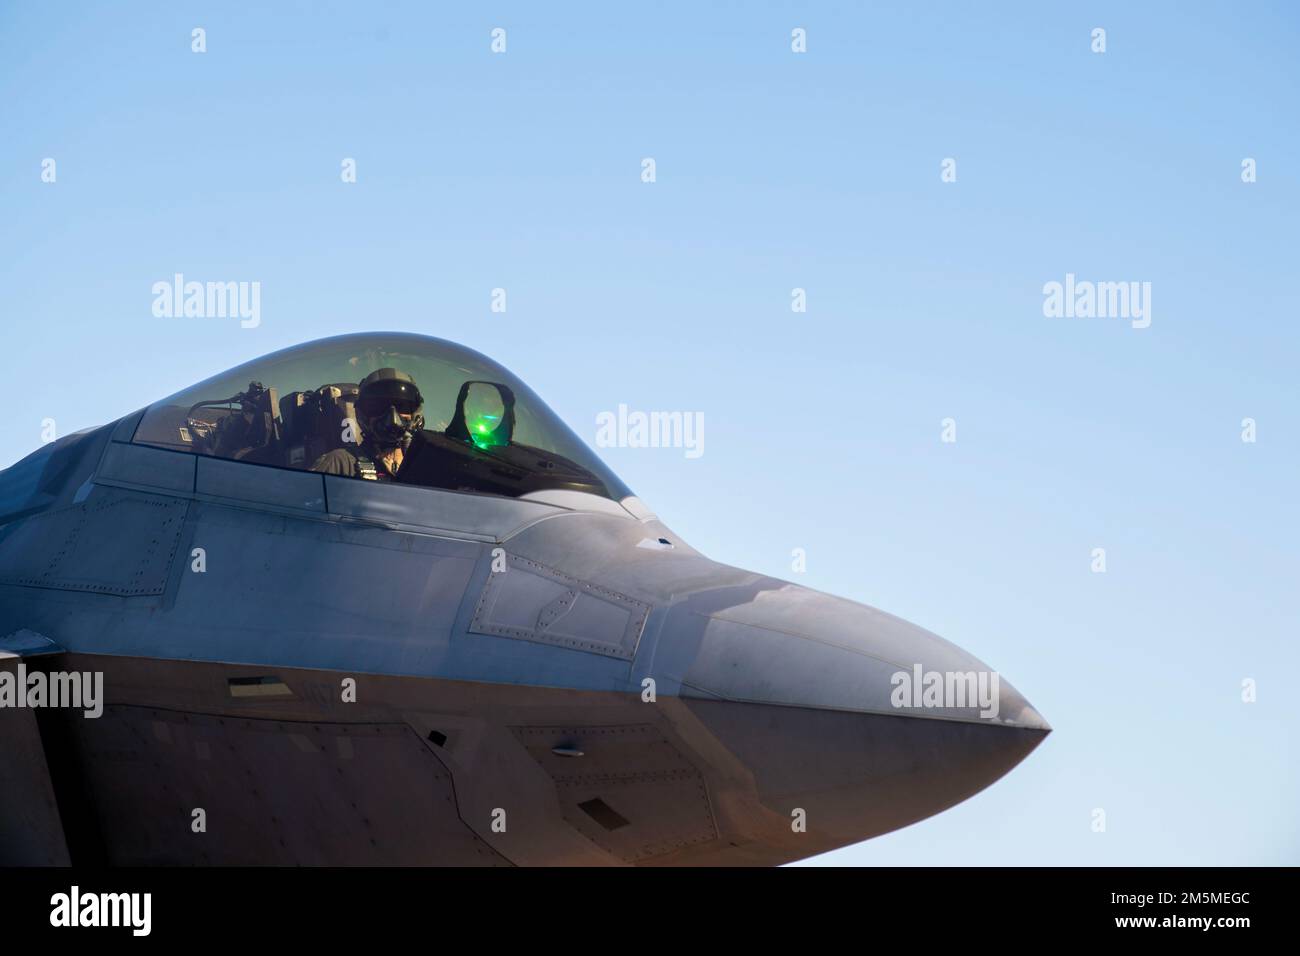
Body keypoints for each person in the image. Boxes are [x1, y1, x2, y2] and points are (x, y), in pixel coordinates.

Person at [310, 368, 424, 481]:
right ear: (363, 414)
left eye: (402, 406)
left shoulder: (425, 466)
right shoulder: (341, 463)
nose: (393, 417)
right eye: (378, 407)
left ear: (414, 413)